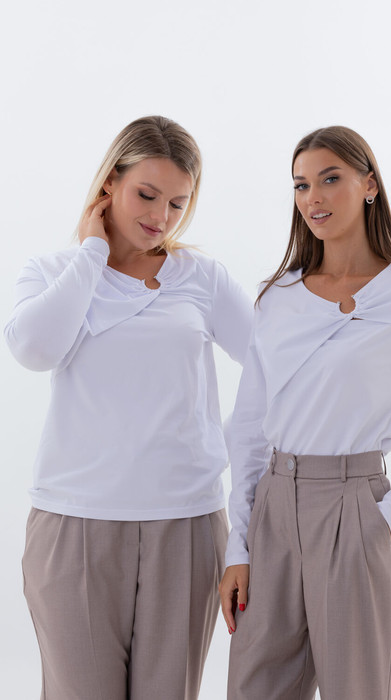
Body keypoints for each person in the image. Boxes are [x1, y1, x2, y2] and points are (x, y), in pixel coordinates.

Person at [5, 115, 252, 700]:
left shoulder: (202, 278)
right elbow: (34, 350)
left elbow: (278, 373)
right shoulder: (52, 272)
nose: (161, 216)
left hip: (186, 525)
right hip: (74, 524)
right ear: (109, 182)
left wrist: (221, 441)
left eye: (177, 203)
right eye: (146, 194)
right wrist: (93, 251)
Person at [219, 125, 391, 700]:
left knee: (361, 687)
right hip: (273, 509)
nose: (313, 198)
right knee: (254, 686)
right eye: (301, 185)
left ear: (369, 185)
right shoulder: (277, 297)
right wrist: (238, 546)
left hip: (356, 509)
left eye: (330, 179)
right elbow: (247, 429)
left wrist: (388, 517)